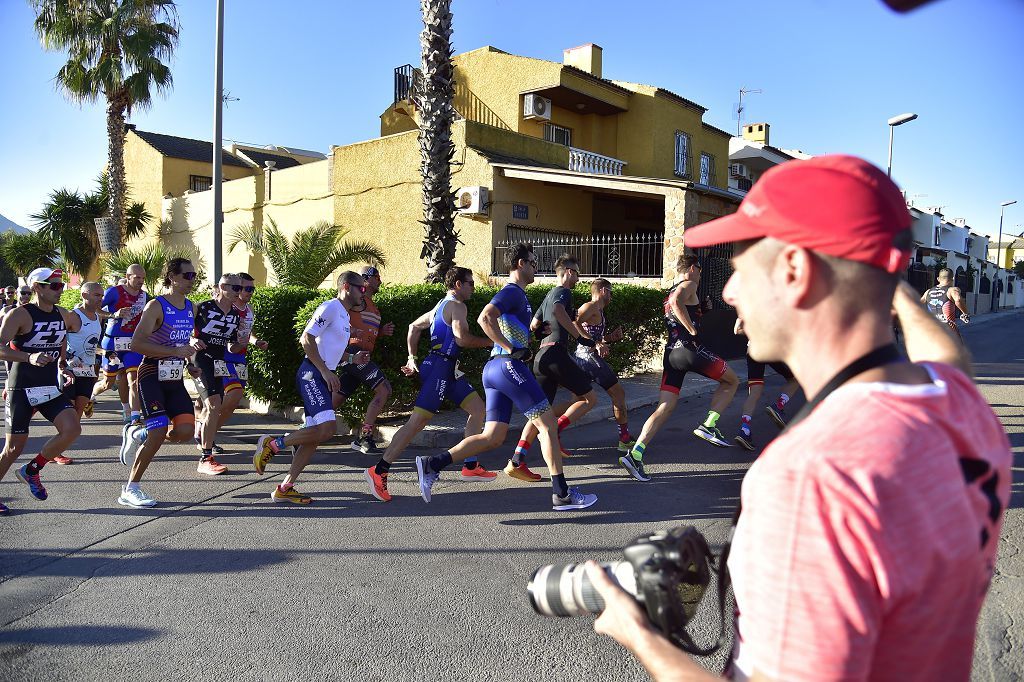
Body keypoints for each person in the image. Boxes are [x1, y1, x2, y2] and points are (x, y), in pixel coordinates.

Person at [585, 154, 1011, 681]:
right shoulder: (961, 408)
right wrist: (882, 279)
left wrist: (639, 634)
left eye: (741, 268)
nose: (728, 292)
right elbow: (949, 360)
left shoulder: (813, 475)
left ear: (795, 271)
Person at [414, 243, 598, 511]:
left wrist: (534, 333)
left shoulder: (520, 297)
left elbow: (514, 327)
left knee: (493, 437)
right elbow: (485, 317)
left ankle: (433, 464)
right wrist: (512, 349)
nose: (536, 268)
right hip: (507, 366)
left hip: (494, 370)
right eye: (533, 263)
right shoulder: (511, 291)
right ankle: (562, 494)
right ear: (521, 264)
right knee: (547, 425)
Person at [364, 266, 494, 502]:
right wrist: (492, 342)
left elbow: (414, 326)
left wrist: (411, 358)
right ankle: (379, 470)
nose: (473, 287)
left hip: (444, 368)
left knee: (477, 409)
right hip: (439, 370)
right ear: (458, 285)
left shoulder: (439, 307)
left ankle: (470, 464)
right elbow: (462, 339)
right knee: (417, 423)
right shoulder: (457, 306)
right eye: (470, 283)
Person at [251, 272, 371, 505]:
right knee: (327, 429)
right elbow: (306, 339)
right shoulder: (330, 307)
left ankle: (285, 487)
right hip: (312, 374)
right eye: (361, 289)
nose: (363, 293)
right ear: (347, 286)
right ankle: (273, 444)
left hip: (321, 374)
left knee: (314, 437)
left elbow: (330, 350)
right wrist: (326, 372)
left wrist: (352, 359)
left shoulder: (344, 316)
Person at [621, 255, 740, 482]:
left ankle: (635, 454)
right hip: (689, 350)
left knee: (665, 406)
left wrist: (701, 312)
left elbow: (676, 307)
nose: (701, 274)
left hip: (671, 354)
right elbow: (678, 304)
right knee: (732, 381)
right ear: (693, 268)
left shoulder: (672, 289)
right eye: (700, 270)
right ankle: (709, 424)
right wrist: (693, 331)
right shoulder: (688, 284)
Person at [506, 255, 599, 481]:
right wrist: (581, 338)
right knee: (589, 399)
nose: (578, 278)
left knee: (539, 412)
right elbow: (558, 312)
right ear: (567, 272)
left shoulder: (547, 295)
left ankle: (517, 460)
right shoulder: (563, 292)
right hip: (556, 354)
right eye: (576, 273)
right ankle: (556, 431)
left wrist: (540, 333)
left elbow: (534, 325)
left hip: (541, 357)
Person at [117, 258, 199, 508]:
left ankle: (138, 433)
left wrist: (190, 362)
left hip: (174, 376)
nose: (192, 280)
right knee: (158, 430)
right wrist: (176, 350)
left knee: (185, 432)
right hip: (151, 372)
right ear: (172, 277)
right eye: (187, 275)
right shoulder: (156, 306)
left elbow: (185, 343)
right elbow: (137, 344)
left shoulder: (191, 308)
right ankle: (131, 489)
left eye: (194, 275)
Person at [0, 268, 82, 514]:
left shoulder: (62, 314)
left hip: (49, 386)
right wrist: (29, 356)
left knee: (72, 429)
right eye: (54, 285)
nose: (60, 289)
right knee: (14, 448)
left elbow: (62, 337)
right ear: (37, 287)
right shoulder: (19, 315)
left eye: (61, 285)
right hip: (22, 387)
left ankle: (31, 470)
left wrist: (62, 364)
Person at [190, 273, 245, 475]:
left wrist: (243, 342)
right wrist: (190, 341)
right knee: (213, 404)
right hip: (200, 359)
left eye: (240, 288)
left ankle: (201, 437)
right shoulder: (202, 307)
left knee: (212, 406)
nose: (238, 292)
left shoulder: (235, 314)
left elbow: (231, 345)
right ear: (222, 287)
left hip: (219, 361)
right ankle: (206, 457)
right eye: (235, 288)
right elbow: (183, 330)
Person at [207, 272, 267, 453]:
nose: (249, 292)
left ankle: (207, 432)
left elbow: (247, 332)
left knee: (232, 399)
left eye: (252, 289)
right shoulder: (227, 308)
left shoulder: (250, 310)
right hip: (224, 356)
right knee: (232, 394)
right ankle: (206, 435)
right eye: (245, 288)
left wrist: (255, 341)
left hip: (240, 357)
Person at [573, 278, 633, 452]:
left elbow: (592, 335)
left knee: (576, 402)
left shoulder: (598, 310)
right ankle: (624, 439)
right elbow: (573, 323)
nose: (612, 296)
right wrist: (595, 343)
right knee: (619, 394)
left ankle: (553, 433)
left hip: (584, 357)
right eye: (611, 292)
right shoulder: (590, 306)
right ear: (603, 291)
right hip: (587, 357)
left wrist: (608, 339)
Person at [346, 266, 395, 454]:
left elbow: (368, 333)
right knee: (384, 389)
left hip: (362, 356)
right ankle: (365, 437)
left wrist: (381, 333)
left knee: (336, 398)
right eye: (377, 277)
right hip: (353, 353)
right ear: (365, 279)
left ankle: (305, 432)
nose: (380, 281)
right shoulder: (358, 301)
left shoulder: (374, 308)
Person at [54, 282, 106, 462]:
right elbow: (60, 338)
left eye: (102, 295)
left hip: (88, 372)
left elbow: (93, 345)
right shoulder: (73, 316)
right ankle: (55, 452)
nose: (100, 298)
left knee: (77, 416)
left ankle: (58, 448)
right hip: (71, 371)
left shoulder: (98, 317)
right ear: (84, 295)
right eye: (97, 295)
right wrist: (64, 359)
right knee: (67, 413)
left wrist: (106, 352)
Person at [732, 317, 800, 451]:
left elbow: (737, 330)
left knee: (754, 392)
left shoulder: (747, 306)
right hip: (770, 347)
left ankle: (744, 430)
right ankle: (778, 406)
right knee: (795, 379)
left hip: (752, 350)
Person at [94, 265, 148, 436]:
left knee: (134, 379)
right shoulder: (113, 292)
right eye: (137, 277)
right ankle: (91, 394)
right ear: (128, 276)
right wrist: (114, 315)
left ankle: (134, 416)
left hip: (133, 344)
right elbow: (94, 309)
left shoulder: (144, 296)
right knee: (108, 383)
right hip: (113, 343)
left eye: (142, 278)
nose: (140, 281)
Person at [922, 267, 970, 342]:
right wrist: (965, 313)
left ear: (938, 279)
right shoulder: (952, 290)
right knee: (959, 350)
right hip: (948, 330)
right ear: (953, 278)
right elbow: (958, 299)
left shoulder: (928, 291)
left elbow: (918, 304)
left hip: (931, 329)